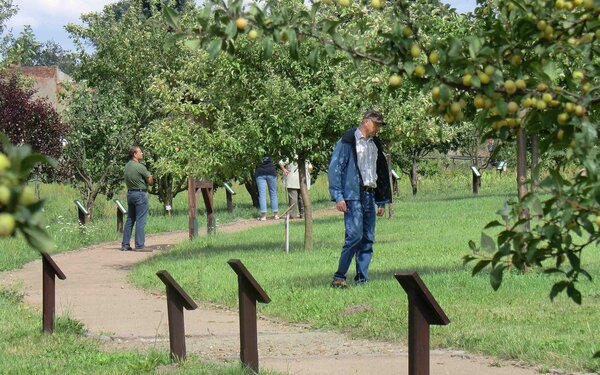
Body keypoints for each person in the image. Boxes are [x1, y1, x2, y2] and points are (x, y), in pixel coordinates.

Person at [328, 110, 392, 288]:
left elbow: (379, 172)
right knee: (354, 236)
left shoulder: (375, 144)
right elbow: (335, 169)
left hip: (370, 194)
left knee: (368, 239)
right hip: (353, 195)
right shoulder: (347, 141)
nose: (378, 128)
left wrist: (381, 200)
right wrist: (338, 196)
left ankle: (362, 279)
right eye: (376, 124)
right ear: (366, 121)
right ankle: (339, 276)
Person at [121, 146, 153, 251]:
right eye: (140, 152)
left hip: (130, 194)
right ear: (135, 154)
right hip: (140, 194)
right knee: (140, 220)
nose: (142, 153)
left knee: (130, 219)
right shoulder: (140, 167)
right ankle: (139, 245)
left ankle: (125, 244)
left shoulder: (127, 166)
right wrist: (151, 179)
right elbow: (149, 180)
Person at [255, 155, 279, 221]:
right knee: (273, 193)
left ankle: (263, 216)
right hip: (271, 171)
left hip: (260, 172)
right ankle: (276, 215)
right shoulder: (271, 148)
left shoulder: (256, 149)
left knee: (262, 194)